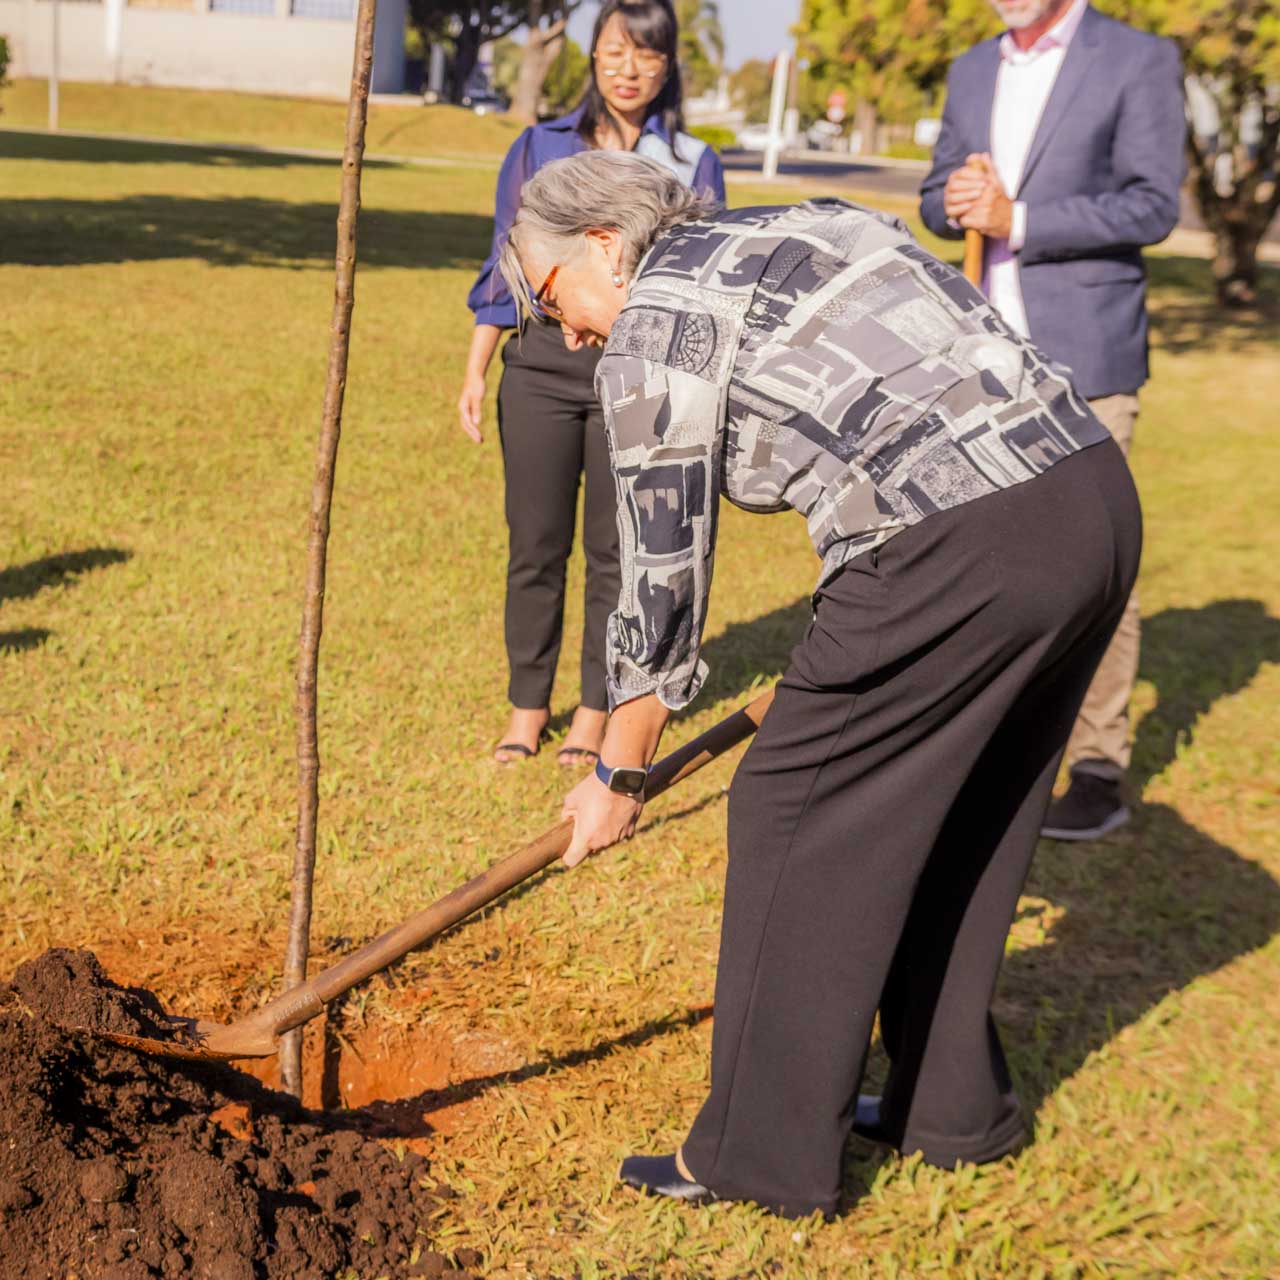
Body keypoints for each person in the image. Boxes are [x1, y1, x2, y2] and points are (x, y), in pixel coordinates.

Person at [501, 151, 1140, 1218]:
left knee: (791, 808)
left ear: (604, 246)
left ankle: (757, 1156)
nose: (562, 332)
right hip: (1087, 494)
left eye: (550, 295)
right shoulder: (805, 222)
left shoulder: (653, 323)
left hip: (960, 540)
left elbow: (662, 576)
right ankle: (950, 1109)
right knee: (965, 808)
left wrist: (619, 771)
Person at [920, 0, 1185, 841]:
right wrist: (952, 198)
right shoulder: (972, 66)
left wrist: (1021, 221)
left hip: (1087, 356)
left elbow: (1153, 206)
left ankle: (1098, 764)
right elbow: (936, 196)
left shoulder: (1137, 59)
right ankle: (985, 741)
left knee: (1095, 556)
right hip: (979, 355)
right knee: (981, 551)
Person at [458, 0, 725, 769]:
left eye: (646, 54)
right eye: (614, 51)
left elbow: (701, 278)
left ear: (667, 65)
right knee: (534, 544)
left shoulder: (693, 159)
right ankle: (526, 706)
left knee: (616, 550)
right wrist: (477, 365)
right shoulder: (540, 146)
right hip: (542, 364)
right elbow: (505, 260)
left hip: (637, 371)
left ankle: (591, 710)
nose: (628, 69)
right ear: (593, 57)